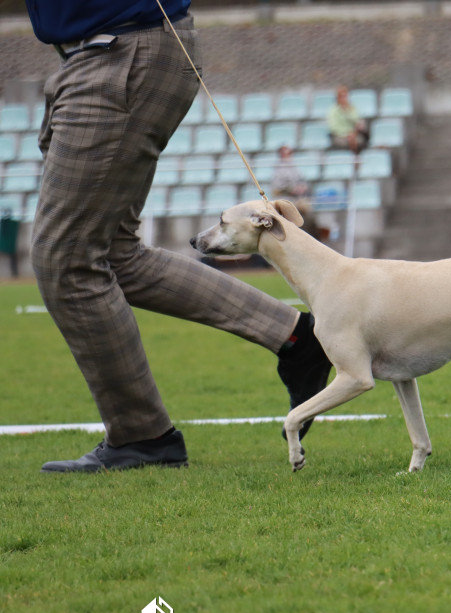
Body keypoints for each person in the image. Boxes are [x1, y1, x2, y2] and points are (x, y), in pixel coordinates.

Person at [25, 0, 333, 472]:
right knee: (114, 254)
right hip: (104, 51)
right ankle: (298, 339)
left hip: (120, 49)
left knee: (65, 259)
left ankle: (142, 436)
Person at [271, 145, 321, 240]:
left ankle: (312, 237)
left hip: (298, 198)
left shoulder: (294, 168)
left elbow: (301, 180)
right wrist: (291, 189)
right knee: (302, 210)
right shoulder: (278, 170)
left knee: (308, 213)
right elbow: (276, 189)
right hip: (286, 198)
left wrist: (302, 187)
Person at [326, 86, 369, 154]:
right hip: (339, 136)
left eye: (345, 96)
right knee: (343, 143)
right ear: (338, 98)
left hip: (353, 135)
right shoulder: (333, 110)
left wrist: (347, 112)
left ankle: (357, 160)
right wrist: (346, 135)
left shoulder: (352, 108)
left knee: (360, 141)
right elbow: (333, 127)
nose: (344, 99)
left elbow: (357, 122)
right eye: (342, 96)